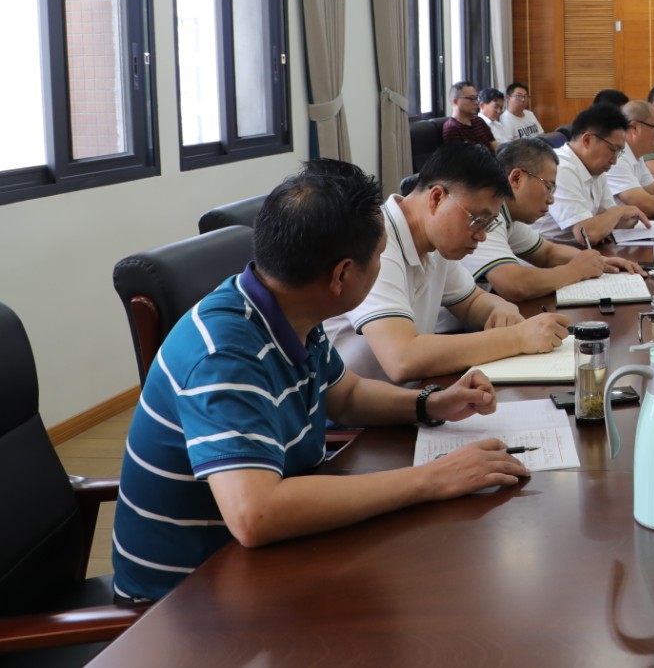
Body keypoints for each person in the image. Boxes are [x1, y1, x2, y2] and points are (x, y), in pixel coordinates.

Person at [112, 159, 531, 602]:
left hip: (262, 562)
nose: (381, 265)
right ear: (341, 276)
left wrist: (430, 403)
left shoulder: (287, 308)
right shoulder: (224, 353)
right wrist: (432, 478)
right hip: (186, 600)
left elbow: (347, 395)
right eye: (379, 257)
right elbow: (255, 515)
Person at [325, 142, 571, 385]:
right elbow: (402, 358)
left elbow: (471, 302)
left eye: (488, 224)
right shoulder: (378, 243)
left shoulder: (437, 244)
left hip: (413, 393)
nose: (482, 235)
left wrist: (500, 308)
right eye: (478, 220)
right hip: (360, 407)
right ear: (437, 198)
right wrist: (516, 338)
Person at [463, 138, 642, 301]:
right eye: (548, 186)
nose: (551, 200)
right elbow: (515, 285)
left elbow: (548, 253)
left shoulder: (509, 216)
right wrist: (574, 271)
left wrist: (601, 261)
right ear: (516, 178)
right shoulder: (484, 215)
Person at [541, 103, 652, 242]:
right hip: (546, 254)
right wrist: (620, 211)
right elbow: (587, 234)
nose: (614, 161)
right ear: (587, 140)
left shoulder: (595, 168)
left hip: (576, 250)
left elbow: (609, 217)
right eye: (613, 149)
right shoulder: (560, 168)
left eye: (619, 152)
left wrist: (626, 218)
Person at [441, 81, 495, 148]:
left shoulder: (478, 120)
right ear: (455, 101)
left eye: (476, 98)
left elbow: (493, 144)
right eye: (471, 98)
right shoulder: (452, 129)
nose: (476, 102)